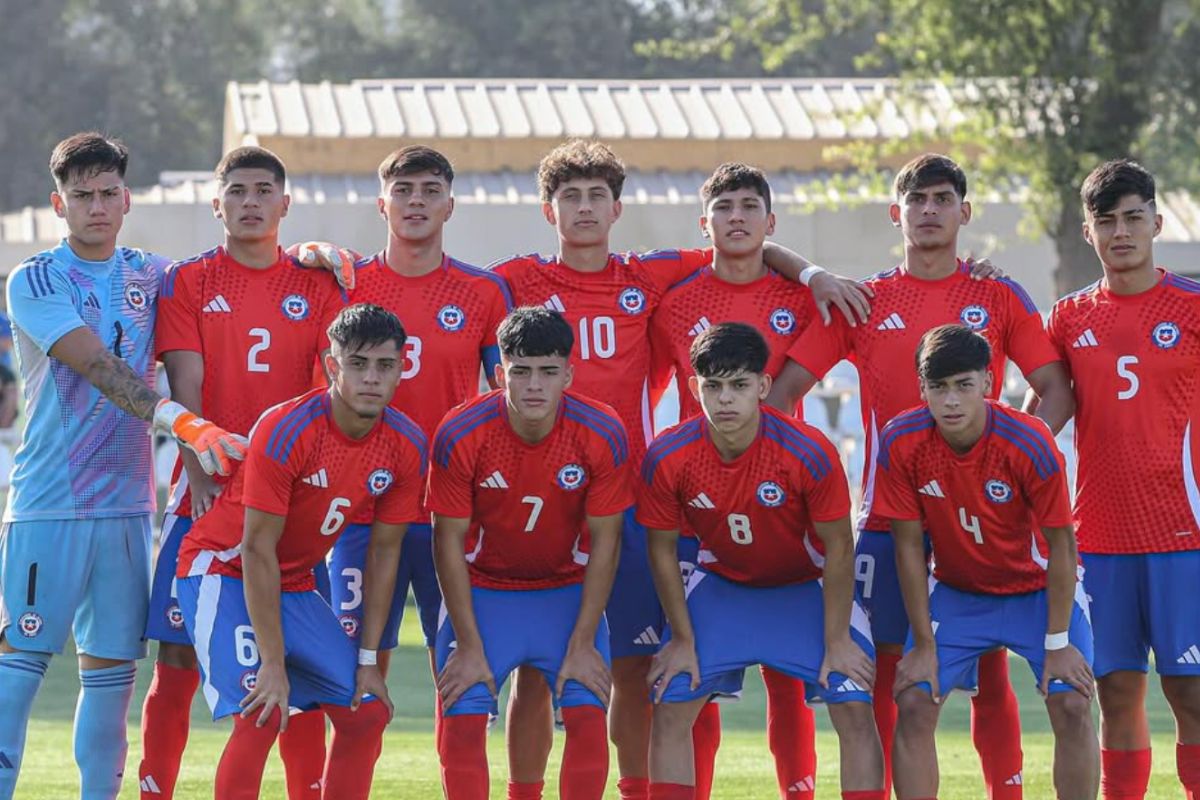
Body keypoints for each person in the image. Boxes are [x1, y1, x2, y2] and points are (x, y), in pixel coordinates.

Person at [485, 139, 870, 800]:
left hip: (636, 502)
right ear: (548, 209)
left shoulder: (651, 276)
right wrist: (329, 259)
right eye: (570, 196)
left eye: (596, 195)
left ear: (617, 208)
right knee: (537, 673)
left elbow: (744, 246)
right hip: (545, 502)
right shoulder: (513, 280)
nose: (583, 208)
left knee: (643, 671)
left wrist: (810, 275)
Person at [767, 152, 1075, 797]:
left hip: (983, 517)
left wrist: (1012, 463)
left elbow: (1053, 387)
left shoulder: (995, 293)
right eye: (917, 200)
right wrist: (807, 480)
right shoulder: (867, 300)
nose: (929, 211)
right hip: (885, 518)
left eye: (942, 199)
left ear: (965, 212)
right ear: (896, 213)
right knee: (894, 673)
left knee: (989, 674)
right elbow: (783, 394)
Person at [0, 132, 245, 800]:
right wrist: (183, 421)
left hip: (129, 509)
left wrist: (308, 254)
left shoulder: (157, 275)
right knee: (15, 678)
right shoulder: (35, 280)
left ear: (127, 198)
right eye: (83, 195)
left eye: (109, 193)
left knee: (110, 685)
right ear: (59, 203)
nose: (98, 206)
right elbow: (98, 367)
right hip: (48, 506)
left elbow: (234, 280)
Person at [138, 145, 346, 799]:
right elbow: (184, 381)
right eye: (237, 191)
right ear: (216, 202)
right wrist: (198, 463)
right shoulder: (190, 280)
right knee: (174, 657)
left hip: (291, 506)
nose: (250, 202)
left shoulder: (318, 283)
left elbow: (327, 392)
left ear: (285, 204)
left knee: (300, 664)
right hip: (207, 495)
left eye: (263, 191)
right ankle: (153, 789)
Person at [174, 303, 426, 800]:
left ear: (402, 367)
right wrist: (273, 662)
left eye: (384, 365)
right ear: (333, 366)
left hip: (294, 583)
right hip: (222, 569)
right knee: (262, 711)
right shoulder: (289, 427)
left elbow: (385, 555)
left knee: (366, 713)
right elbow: (255, 547)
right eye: (357, 364)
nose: (371, 378)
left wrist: (370, 659)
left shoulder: (406, 444)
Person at [638, 322, 885, 800]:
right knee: (671, 700)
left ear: (764, 386)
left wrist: (837, 640)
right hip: (722, 587)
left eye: (739, 385)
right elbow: (663, 549)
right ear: (695, 388)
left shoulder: (808, 451)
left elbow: (838, 547)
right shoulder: (669, 454)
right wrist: (682, 639)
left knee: (854, 702)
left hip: (805, 590)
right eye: (713, 386)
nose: (725, 399)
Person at [646, 163, 823, 798]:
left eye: (751, 207)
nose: (738, 217)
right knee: (694, 678)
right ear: (706, 223)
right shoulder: (674, 302)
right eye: (724, 207)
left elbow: (792, 394)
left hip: (787, 506)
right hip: (696, 508)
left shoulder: (807, 299)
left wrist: (808, 271)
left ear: (770, 223)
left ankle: (797, 789)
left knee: (790, 683)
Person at [876, 323, 1098, 800]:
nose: (951, 400)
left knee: (1073, 703)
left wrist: (1057, 642)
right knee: (914, 701)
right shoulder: (901, 440)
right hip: (959, 595)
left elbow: (1062, 545)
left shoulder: (1028, 440)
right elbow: (909, 546)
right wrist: (922, 643)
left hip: (1038, 593)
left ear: (988, 384)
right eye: (938, 388)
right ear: (922, 389)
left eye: (963, 385)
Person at [325, 145, 511, 698]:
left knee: (462, 687)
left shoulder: (483, 291)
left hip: (449, 514)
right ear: (382, 204)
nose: (416, 202)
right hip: (360, 508)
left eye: (430, 190)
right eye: (402, 191)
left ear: (450, 205)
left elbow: (507, 400)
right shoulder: (343, 283)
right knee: (352, 683)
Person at [1042, 159, 1200, 800]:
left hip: (1183, 533)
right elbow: (1042, 416)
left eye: (1134, 217)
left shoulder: (1191, 306)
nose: (1121, 232)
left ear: (1157, 222)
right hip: (1100, 538)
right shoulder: (1068, 317)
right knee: (1115, 690)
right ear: (1088, 233)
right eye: (1106, 221)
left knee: (1189, 691)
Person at [428, 306, 630, 800]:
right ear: (500, 374)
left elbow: (607, 540)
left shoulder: (601, 431)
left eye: (547, 371)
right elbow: (446, 540)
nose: (534, 385)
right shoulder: (461, 431)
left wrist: (584, 642)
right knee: (462, 710)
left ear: (569, 374)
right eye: (520, 371)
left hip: (564, 594)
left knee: (587, 712)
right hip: (484, 594)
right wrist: (471, 646)